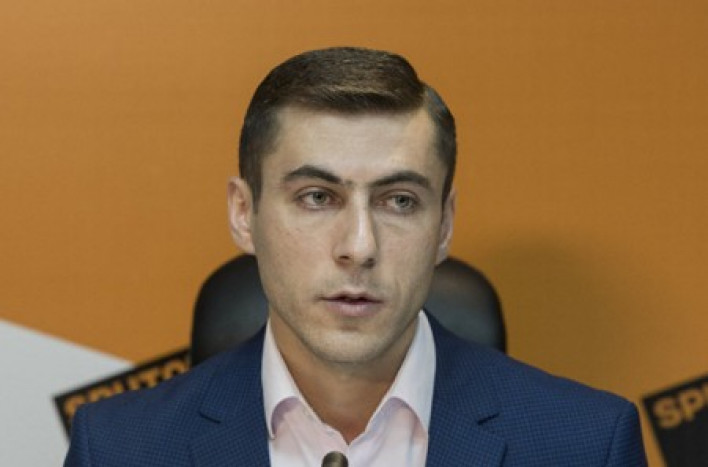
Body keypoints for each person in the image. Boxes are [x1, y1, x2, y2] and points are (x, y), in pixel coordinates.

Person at [65, 47, 647, 466]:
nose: (360, 247)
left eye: (399, 201)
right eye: (317, 198)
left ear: (444, 225)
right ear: (244, 213)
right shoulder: (119, 449)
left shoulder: (585, 444)